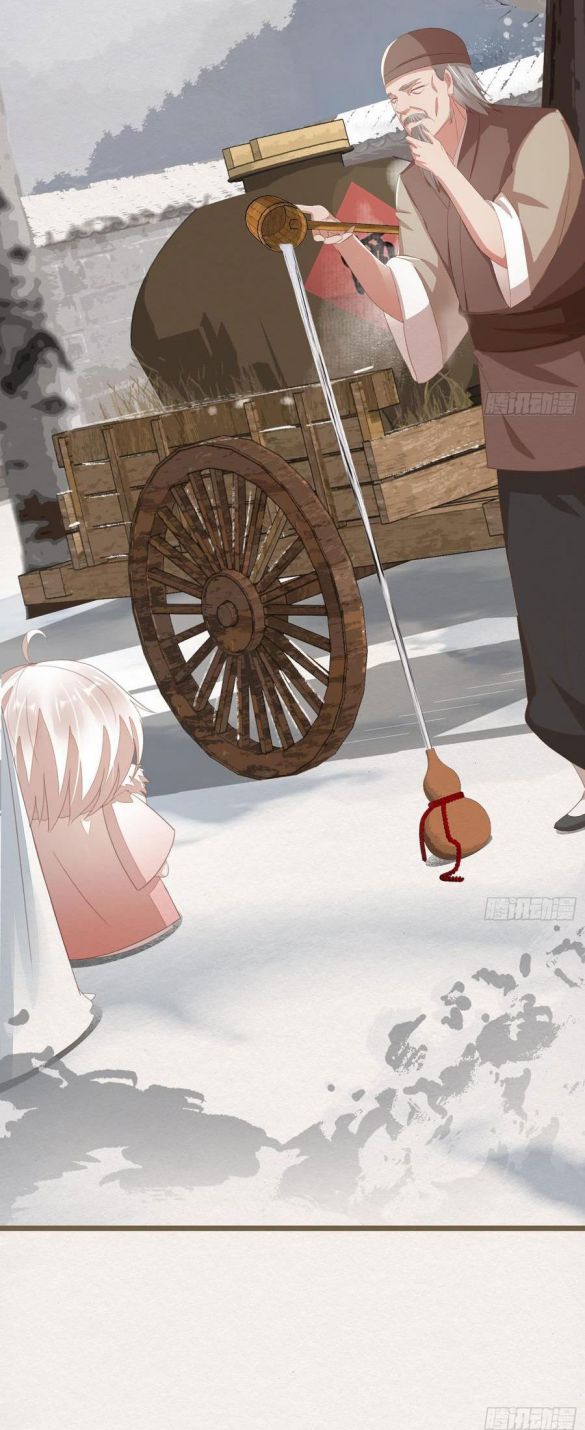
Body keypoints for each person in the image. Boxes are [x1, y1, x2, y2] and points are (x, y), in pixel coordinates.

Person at [299, 27, 585, 832]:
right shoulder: (416, 183)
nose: (403, 108)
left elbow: (524, 258)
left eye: (413, 89)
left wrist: (449, 176)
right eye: (393, 97)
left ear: (451, 82)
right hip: (519, 405)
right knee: (553, 605)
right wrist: (350, 247)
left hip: (575, 361)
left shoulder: (535, 136)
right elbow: (422, 300)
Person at [1, 633, 181, 966]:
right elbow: (149, 855)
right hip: (138, 923)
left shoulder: (25, 829)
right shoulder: (114, 805)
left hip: (73, 942)